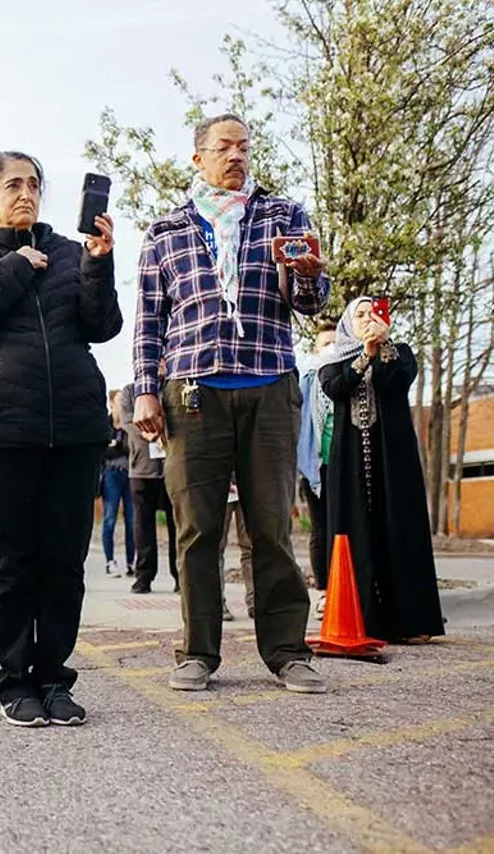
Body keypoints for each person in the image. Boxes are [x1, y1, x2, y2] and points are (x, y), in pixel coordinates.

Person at [131, 113, 331, 694]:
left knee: (270, 526)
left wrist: (310, 277)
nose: (236, 155)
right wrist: (145, 387)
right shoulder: (166, 230)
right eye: (224, 147)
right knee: (197, 530)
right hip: (193, 392)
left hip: (269, 385)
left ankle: (289, 652)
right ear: (199, 159)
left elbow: (309, 305)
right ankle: (197, 652)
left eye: (244, 147)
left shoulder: (284, 215)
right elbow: (149, 319)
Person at [0, 151, 121, 727]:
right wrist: (17, 263)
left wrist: (97, 263)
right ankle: (16, 680)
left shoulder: (69, 252)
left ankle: (55, 677)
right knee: (13, 561)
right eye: (12, 185)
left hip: (75, 429)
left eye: (34, 184)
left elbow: (102, 326)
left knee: (64, 563)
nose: (26, 193)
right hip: (0, 434)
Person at [318, 298, 444, 643]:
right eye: (357, 315)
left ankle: (410, 622)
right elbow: (336, 387)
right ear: (346, 324)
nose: (365, 320)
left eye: (370, 313)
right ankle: (364, 621)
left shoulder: (400, 352)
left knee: (398, 528)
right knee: (355, 533)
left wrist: (383, 346)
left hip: (393, 462)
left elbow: (397, 381)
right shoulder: (334, 362)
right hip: (351, 465)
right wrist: (365, 355)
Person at [118, 379, 179, 593]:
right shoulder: (129, 391)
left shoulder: (174, 387)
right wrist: (154, 429)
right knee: (143, 526)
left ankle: (180, 576)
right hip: (142, 469)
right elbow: (127, 422)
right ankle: (144, 576)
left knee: (177, 525)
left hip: (173, 466)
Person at [298, 321, 338, 618]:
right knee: (320, 529)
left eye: (336, 342)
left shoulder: (348, 376)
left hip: (345, 465)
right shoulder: (307, 379)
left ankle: (349, 589)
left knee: (346, 529)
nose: (331, 348)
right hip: (315, 466)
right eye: (326, 344)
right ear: (316, 349)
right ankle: (325, 591)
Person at [100, 389, 134, 577]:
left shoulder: (130, 423)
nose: (122, 405)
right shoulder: (106, 424)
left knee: (132, 520)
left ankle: (131, 562)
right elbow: (103, 450)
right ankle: (109, 561)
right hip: (111, 474)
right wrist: (117, 448)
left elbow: (134, 447)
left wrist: (117, 447)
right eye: (119, 402)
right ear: (111, 404)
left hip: (130, 474)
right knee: (110, 517)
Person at [216, 479, 252, 621]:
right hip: (220, 483)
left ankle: (255, 600)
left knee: (251, 546)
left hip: (247, 484)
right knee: (216, 548)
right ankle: (218, 603)